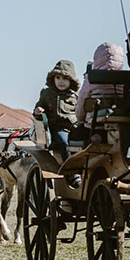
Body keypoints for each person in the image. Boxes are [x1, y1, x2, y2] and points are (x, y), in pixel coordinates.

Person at [33, 60, 81, 188]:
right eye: (58, 78)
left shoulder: (76, 96)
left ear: (71, 81)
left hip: (75, 128)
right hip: (58, 129)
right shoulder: (47, 93)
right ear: (53, 78)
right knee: (65, 143)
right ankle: (71, 173)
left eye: (65, 78)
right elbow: (38, 106)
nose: (61, 81)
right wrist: (38, 111)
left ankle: (84, 170)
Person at [75, 42, 126, 126]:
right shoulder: (125, 78)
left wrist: (80, 120)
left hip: (94, 125)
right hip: (121, 122)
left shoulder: (91, 78)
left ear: (97, 59)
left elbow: (81, 104)